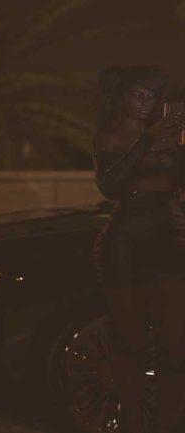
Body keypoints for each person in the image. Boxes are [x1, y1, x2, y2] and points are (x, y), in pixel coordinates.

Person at [92, 66, 185, 433]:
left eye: (152, 95)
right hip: (127, 242)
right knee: (130, 342)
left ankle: (166, 426)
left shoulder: (170, 137)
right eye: (138, 94)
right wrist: (148, 139)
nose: (146, 102)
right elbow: (111, 184)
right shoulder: (111, 136)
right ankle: (131, 424)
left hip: (169, 239)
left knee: (175, 345)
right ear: (121, 98)